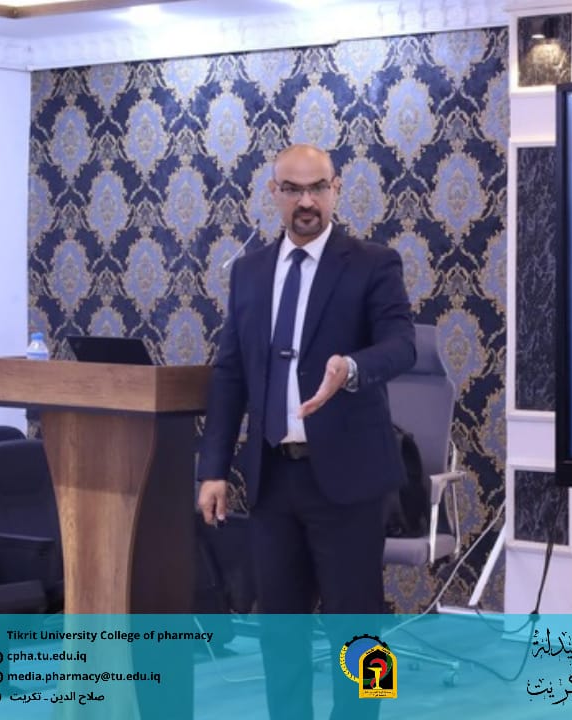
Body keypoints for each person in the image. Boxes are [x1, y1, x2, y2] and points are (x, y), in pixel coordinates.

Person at [196, 144, 415, 719]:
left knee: (358, 627)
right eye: (293, 190)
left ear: (336, 189)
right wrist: (213, 470)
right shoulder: (249, 272)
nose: (307, 201)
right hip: (274, 478)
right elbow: (231, 374)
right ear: (274, 194)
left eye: (318, 187)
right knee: (280, 629)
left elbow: (402, 346)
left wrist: (352, 367)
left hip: (348, 478)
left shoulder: (372, 263)